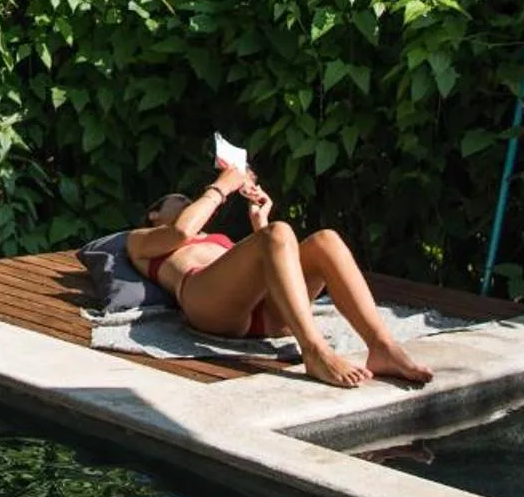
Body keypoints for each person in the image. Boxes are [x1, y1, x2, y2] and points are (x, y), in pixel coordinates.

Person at [124, 164, 433, 390]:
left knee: (326, 239)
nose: (189, 203)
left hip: (268, 314)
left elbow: (272, 263)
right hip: (208, 304)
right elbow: (181, 231)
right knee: (280, 231)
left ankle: (381, 347)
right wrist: (221, 186)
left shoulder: (217, 239)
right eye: (179, 199)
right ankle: (313, 351)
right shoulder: (140, 239)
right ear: (154, 213)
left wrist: (261, 224)